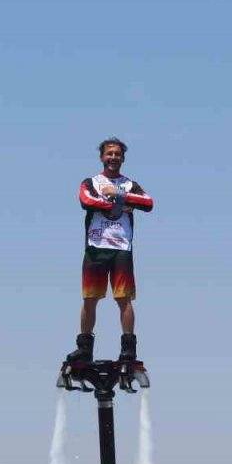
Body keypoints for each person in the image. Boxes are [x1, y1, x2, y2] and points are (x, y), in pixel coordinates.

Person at [66, 137, 154, 364]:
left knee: (124, 299)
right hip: (96, 247)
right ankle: (84, 348)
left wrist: (119, 195)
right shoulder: (91, 182)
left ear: (123, 158)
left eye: (117, 154)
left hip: (121, 248)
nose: (113, 157)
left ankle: (129, 349)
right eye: (109, 154)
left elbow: (148, 203)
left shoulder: (129, 184)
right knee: (90, 298)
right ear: (102, 157)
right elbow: (87, 201)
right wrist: (120, 205)